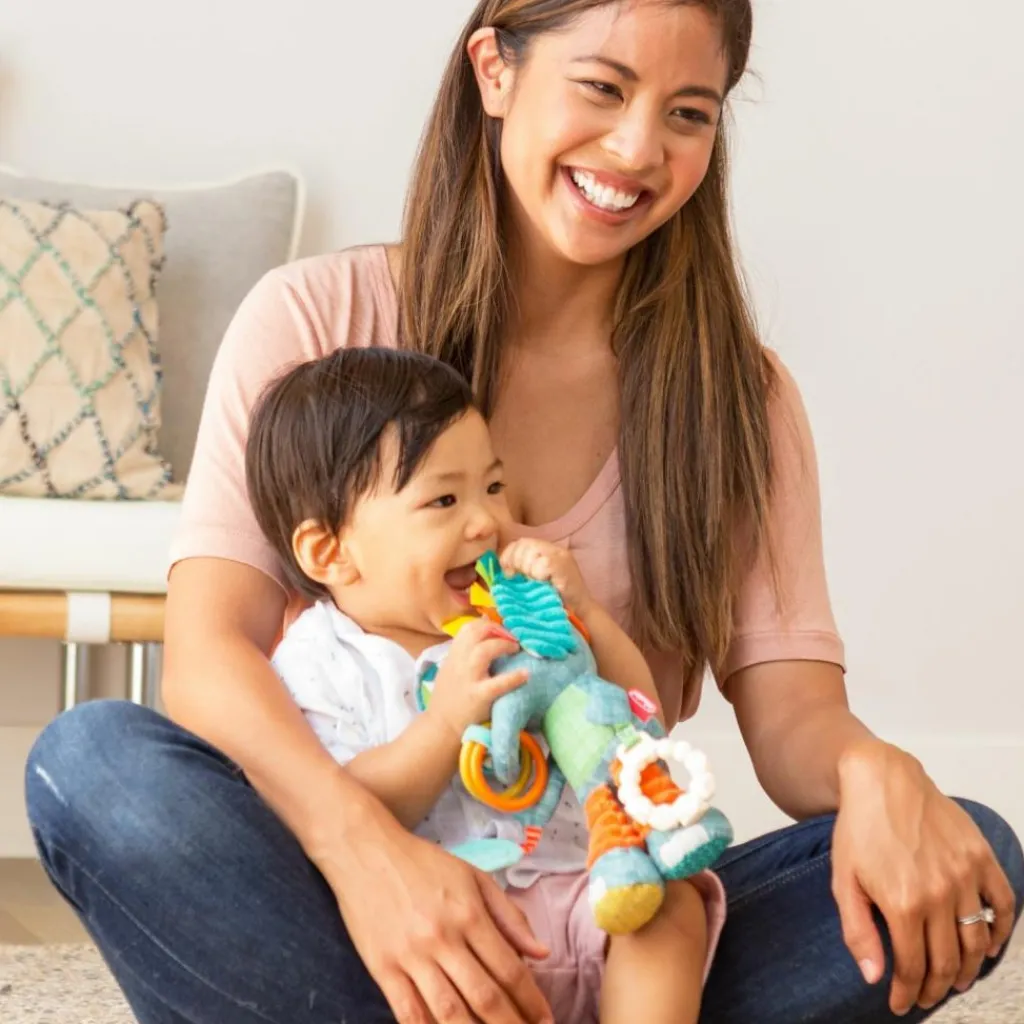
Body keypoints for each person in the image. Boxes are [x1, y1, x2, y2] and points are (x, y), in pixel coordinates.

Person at [23, 1, 1023, 1022]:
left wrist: (872, 767)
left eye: (688, 112)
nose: (637, 149)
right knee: (93, 765)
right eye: (602, 88)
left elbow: (793, 715)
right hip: (344, 908)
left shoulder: (740, 401)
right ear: (494, 70)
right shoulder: (316, 319)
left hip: (594, 910)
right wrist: (366, 858)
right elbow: (207, 659)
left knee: (971, 856)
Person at [245, 345, 727, 1023]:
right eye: (444, 499)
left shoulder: (518, 618)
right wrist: (444, 725)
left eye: (492, 488)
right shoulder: (319, 659)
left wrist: (586, 616)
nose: (487, 522)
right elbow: (347, 806)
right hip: (451, 926)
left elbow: (635, 716)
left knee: (673, 906)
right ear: (331, 552)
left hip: (585, 892)